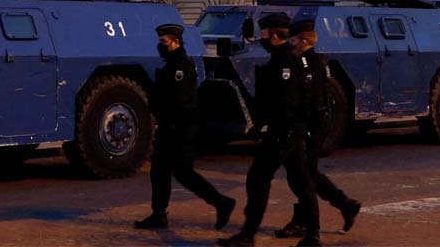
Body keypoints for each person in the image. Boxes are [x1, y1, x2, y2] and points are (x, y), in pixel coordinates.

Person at [218, 12, 320, 247]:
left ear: (274, 36)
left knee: (258, 179)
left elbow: (284, 101)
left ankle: (248, 235)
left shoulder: (283, 61)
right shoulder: (289, 58)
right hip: (291, 131)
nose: (260, 38)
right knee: (302, 183)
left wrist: (271, 126)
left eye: (263, 34)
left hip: (282, 131)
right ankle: (313, 234)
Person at [134, 23, 236, 232]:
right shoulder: (171, 64)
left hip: (179, 127)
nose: (160, 45)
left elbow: (178, 99)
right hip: (171, 126)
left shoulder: (181, 65)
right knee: (160, 170)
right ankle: (159, 214)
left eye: (163, 42)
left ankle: (221, 203)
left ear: (175, 42)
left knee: (183, 173)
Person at [275, 18, 361, 239]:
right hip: (312, 127)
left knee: (301, 177)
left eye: (293, 39)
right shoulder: (313, 61)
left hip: (309, 129)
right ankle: (344, 205)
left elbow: (309, 99)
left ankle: (308, 226)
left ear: (303, 40)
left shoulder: (309, 63)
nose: (290, 43)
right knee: (306, 175)